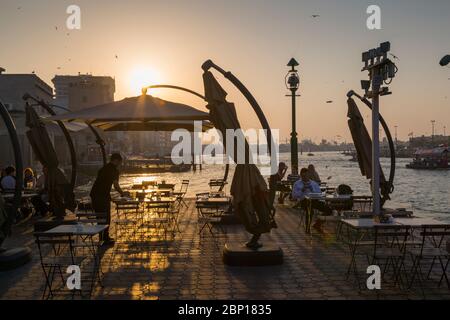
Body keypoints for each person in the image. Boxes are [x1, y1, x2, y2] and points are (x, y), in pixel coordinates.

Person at [90, 153, 126, 245]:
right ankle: (105, 238)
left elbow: (101, 182)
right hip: (102, 196)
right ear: (117, 160)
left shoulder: (103, 168)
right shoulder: (114, 170)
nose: (120, 164)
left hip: (94, 195)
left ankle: (101, 237)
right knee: (106, 217)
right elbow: (116, 185)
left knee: (100, 217)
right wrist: (122, 193)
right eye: (120, 162)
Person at [292, 168, 332, 233]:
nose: (304, 177)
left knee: (329, 210)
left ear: (308, 175)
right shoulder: (297, 184)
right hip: (303, 201)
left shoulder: (314, 183)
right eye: (303, 176)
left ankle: (317, 224)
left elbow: (319, 194)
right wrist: (302, 191)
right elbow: (294, 196)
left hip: (314, 200)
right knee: (310, 210)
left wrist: (312, 189)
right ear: (301, 175)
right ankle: (307, 228)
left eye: (306, 176)